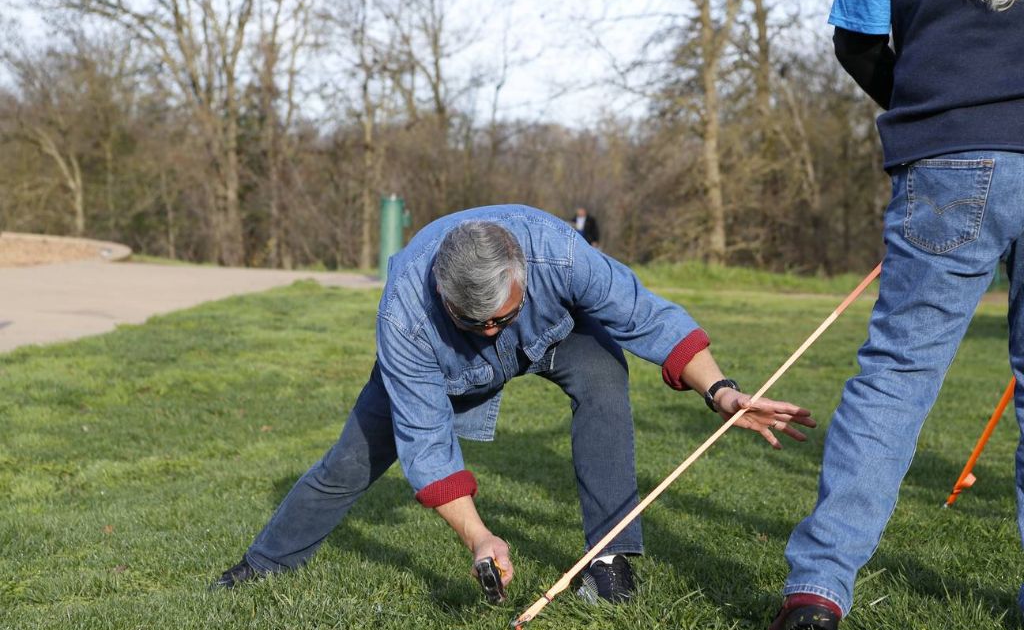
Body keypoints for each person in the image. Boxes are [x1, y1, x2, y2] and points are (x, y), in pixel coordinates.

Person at [213, 204, 815, 603]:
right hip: (448, 369)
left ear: (521, 275)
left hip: (556, 334)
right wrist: (479, 537)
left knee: (604, 378)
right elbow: (427, 443)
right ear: (445, 297)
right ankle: (264, 564)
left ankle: (609, 561)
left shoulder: (559, 252)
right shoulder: (404, 318)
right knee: (350, 461)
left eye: (504, 316)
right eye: (477, 322)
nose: (493, 331)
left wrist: (721, 391)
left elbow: (645, 316)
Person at [767, 0, 1024, 630]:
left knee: (896, 378)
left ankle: (818, 588)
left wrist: (936, 112)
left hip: (947, 156)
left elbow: (856, 44)